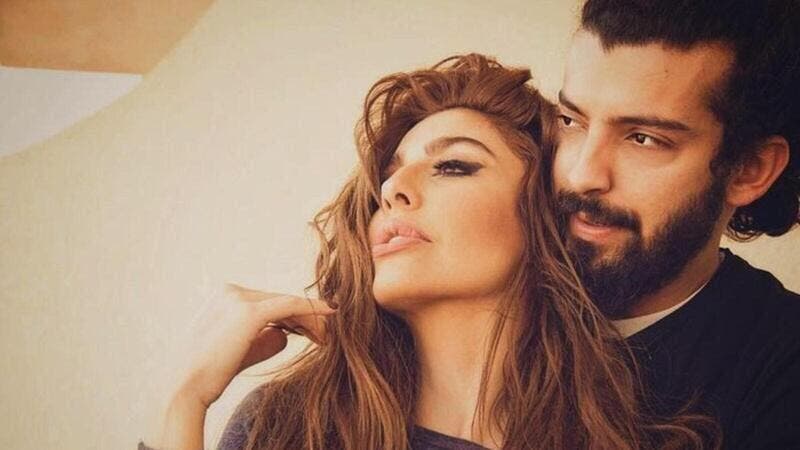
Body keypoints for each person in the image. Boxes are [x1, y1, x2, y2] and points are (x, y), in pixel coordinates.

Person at [140, 55, 715, 450]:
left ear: (543, 211)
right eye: (387, 177)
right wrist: (183, 402)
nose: (394, 189)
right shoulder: (288, 428)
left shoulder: (651, 435)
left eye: (454, 165)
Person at [553, 0, 800, 448]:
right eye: (571, 121)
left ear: (749, 170)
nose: (583, 174)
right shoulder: (487, 283)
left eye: (643, 138)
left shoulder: (781, 369)